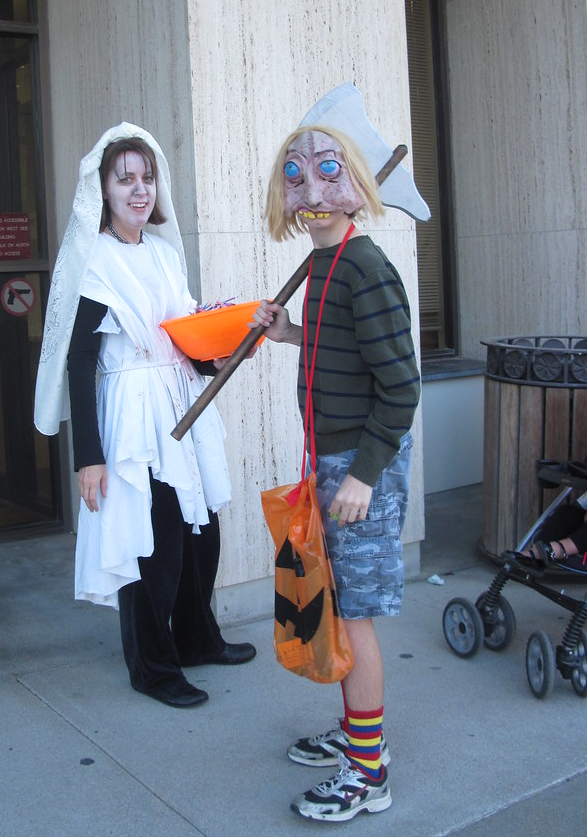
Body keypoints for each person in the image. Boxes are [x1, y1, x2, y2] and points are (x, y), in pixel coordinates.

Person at [252, 85, 429, 822]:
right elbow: (346, 356)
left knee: (352, 616)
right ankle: (359, 735)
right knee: (335, 606)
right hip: (332, 461)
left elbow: (402, 388)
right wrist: (290, 335)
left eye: (329, 172)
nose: (312, 190)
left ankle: (369, 771)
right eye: (296, 174)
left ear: (359, 183)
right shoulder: (327, 264)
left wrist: (361, 477)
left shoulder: (365, 269)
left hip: (360, 468)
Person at [34, 123, 255, 709]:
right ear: (102, 191)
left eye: (147, 178)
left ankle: (197, 639)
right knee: (152, 543)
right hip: (131, 418)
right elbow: (79, 362)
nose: (139, 190)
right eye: (124, 178)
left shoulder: (161, 252)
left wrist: (228, 343)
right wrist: (89, 458)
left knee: (199, 531)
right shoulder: (94, 262)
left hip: (180, 402)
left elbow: (184, 336)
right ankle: (153, 667)